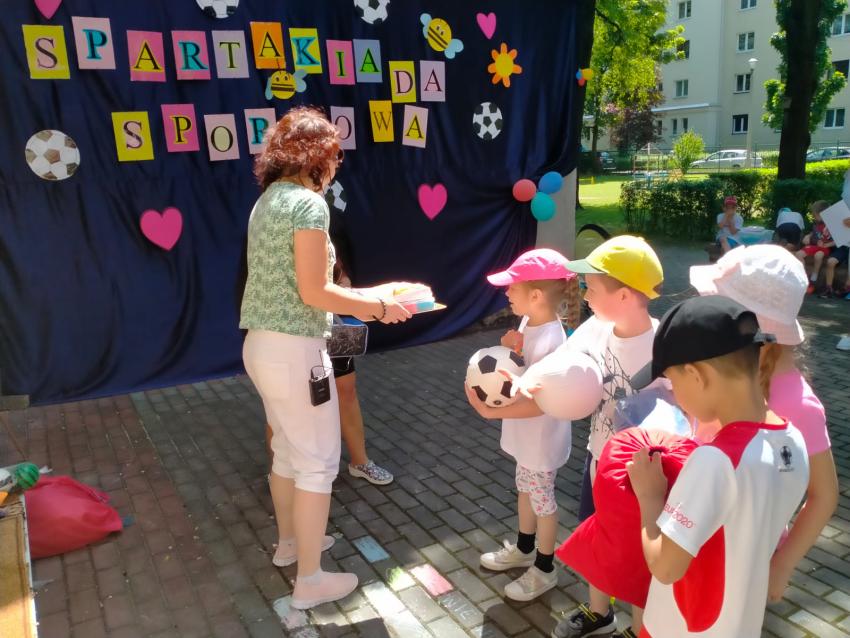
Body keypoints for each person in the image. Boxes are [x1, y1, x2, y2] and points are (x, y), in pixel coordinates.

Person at [240, 107, 410, 609]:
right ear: (315, 156)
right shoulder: (309, 205)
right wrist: (380, 308)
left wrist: (376, 294)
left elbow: (305, 284)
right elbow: (315, 291)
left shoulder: (268, 200)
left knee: (287, 452)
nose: (337, 165)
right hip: (297, 350)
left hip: (262, 347)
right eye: (334, 155)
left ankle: (291, 546)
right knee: (317, 464)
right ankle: (310, 580)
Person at [467, 236, 664, 638]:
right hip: (599, 455)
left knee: (638, 549)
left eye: (593, 287)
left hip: (643, 469)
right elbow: (557, 368)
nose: (584, 295)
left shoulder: (663, 343)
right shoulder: (595, 329)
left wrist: (495, 408)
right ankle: (600, 614)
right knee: (597, 535)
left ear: (624, 295)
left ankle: (643, 628)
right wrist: (520, 371)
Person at [626, 295, 809, 638]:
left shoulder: (715, 461)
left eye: (673, 382)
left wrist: (650, 499)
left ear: (696, 375)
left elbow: (665, 567)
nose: (674, 393)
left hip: (677, 630)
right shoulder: (794, 442)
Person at [688, 244, 838, 603]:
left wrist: (782, 566)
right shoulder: (717, 371)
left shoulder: (798, 407)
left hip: (749, 559)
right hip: (691, 537)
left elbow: (824, 494)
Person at [470, 249, 575, 601]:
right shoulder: (529, 321)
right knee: (525, 491)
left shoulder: (552, 341)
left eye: (512, 287)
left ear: (536, 295)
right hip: (525, 436)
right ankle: (525, 548)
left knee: (543, 502)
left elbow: (540, 403)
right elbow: (517, 370)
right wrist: (507, 348)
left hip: (540, 439)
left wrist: (490, 412)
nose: (506, 292)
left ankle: (545, 568)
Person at [795, 200, 833, 294]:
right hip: (814, 246)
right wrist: (808, 236)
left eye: (815, 214)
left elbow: (837, 240)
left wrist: (826, 244)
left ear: (823, 214)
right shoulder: (816, 223)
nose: (813, 216)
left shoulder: (831, 224)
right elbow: (813, 232)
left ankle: (813, 279)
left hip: (825, 247)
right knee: (798, 254)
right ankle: (803, 278)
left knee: (818, 255)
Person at [819, 212, 850, 299]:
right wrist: (826, 245)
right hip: (844, 247)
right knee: (831, 262)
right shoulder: (842, 214)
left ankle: (847, 288)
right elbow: (840, 238)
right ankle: (829, 289)